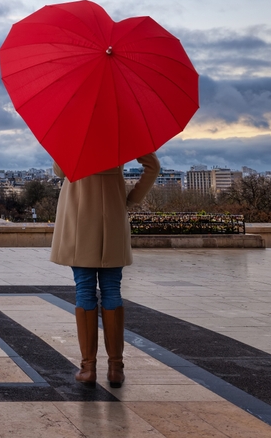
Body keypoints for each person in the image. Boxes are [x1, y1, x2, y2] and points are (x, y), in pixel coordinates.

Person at [50, 152, 160, 388]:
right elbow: (153, 166)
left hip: (79, 216)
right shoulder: (124, 127)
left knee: (84, 290)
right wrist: (130, 199)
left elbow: (60, 171)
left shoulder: (76, 130)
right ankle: (115, 368)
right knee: (112, 290)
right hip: (112, 214)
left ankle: (88, 368)